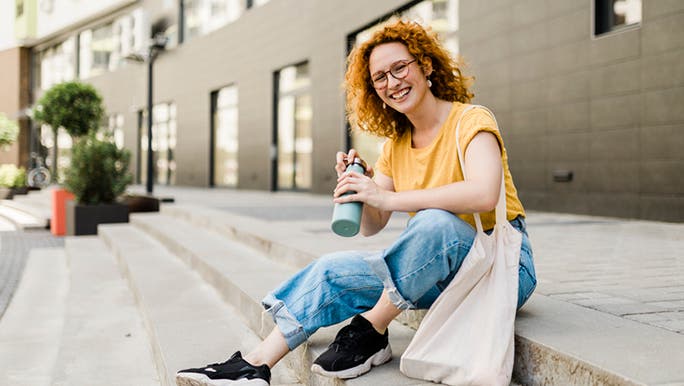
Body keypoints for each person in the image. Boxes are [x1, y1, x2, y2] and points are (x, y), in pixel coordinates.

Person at [175, 19, 537, 386]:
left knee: (433, 223)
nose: (392, 83)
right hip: (440, 271)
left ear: (426, 66)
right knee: (331, 269)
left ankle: (372, 328)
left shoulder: (470, 120)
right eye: (380, 78)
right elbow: (371, 225)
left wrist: (388, 197)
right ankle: (253, 366)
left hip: (501, 266)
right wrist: (359, 191)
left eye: (400, 68)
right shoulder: (395, 147)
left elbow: (483, 192)